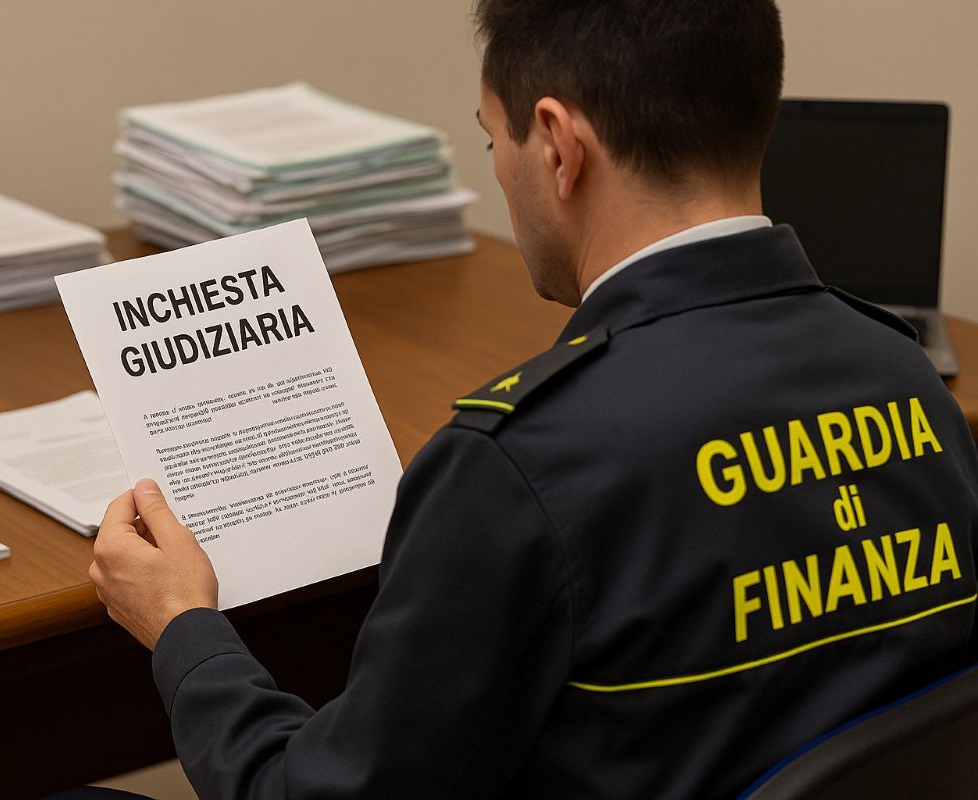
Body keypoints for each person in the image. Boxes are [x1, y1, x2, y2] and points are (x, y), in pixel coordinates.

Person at [88, 1, 978, 797]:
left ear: (556, 143)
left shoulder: (521, 463)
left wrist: (185, 630)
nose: (501, 172)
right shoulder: (908, 378)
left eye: (493, 140)